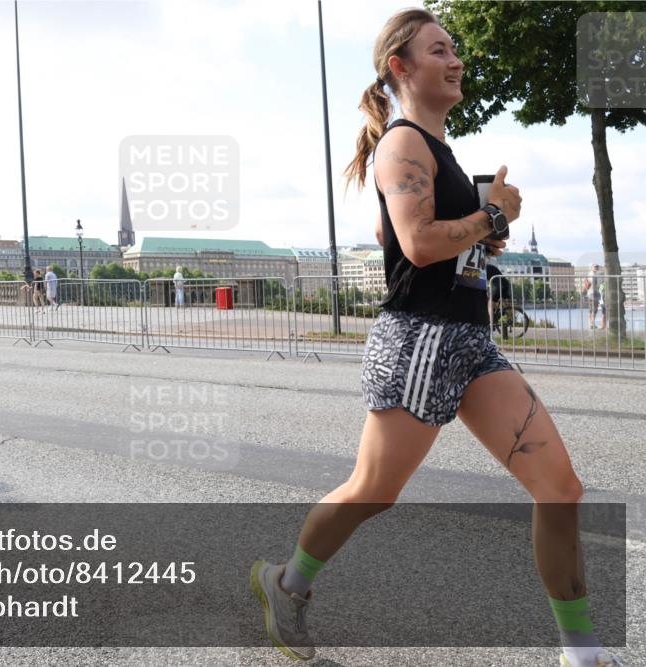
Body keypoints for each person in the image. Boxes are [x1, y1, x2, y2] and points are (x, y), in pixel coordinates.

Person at [249, 10, 623, 667]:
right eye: (438, 50)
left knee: (559, 487)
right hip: (418, 338)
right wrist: (492, 213)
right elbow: (418, 246)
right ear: (401, 67)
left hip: (470, 341)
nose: (455, 60)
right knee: (374, 489)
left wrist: (484, 232)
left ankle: (582, 652)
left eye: (455, 50)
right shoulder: (402, 145)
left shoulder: (439, 152)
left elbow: (411, 239)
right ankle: (287, 583)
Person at [583, 264, 601, 329]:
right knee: (594, 309)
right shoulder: (594, 275)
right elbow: (596, 284)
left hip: (589, 293)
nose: (597, 268)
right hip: (594, 293)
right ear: (592, 268)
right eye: (595, 267)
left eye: (597, 267)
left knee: (591, 310)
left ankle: (591, 324)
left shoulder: (590, 274)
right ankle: (592, 324)